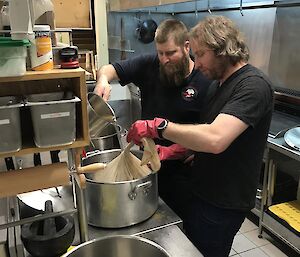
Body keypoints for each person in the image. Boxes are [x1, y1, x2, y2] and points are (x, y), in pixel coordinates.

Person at [126, 15, 274, 257]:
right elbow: (203, 131)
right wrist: (172, 151)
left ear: (222, 50)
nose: (196, 61)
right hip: (202, 191)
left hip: (223, 202)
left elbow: (215, 139)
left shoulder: (253, 85)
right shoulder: (218, 84)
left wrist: (158, 126)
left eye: (200, 54)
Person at [94, 19, 212, 218]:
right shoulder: (150, 64)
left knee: (179, 226)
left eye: (170, 53)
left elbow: (207, 133)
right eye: (160, 53)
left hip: (183, 174)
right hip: (146, 167)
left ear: (186, 47)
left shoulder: (205, 81)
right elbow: (108, 70)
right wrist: (102, 81)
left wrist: (171, 151)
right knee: (146, 217)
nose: (164, 59)